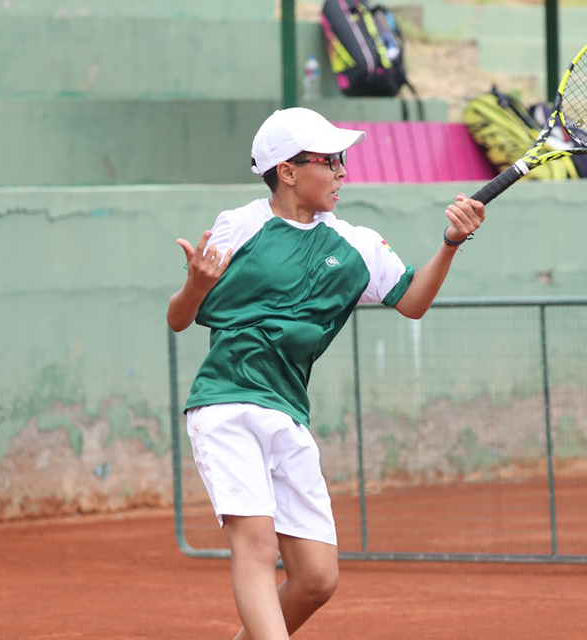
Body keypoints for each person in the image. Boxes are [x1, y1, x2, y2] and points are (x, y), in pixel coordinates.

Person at [166, 107, 485, 640]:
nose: (342, 172)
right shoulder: (239, 226)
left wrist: (450, 242)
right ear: (287, 172)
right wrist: (196, 285)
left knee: (316, 578)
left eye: (343, 161)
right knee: (257, 546)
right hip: (226, 401)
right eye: (330, 161)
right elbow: (179, 318)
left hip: (287, 412)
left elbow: (413, 301)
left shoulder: (357, 245)